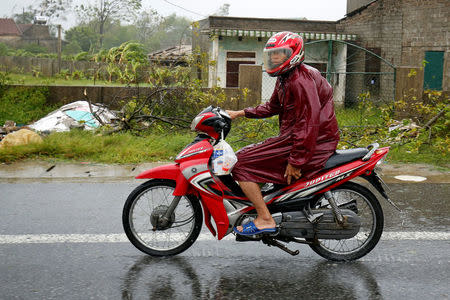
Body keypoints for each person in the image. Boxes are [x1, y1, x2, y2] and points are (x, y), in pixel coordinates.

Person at [226, 31, 340, 236]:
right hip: (298, 137)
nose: (274, 58)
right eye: (272, 54)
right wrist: (240, 113)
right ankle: (259, 207)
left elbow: (309, 124)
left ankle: (265, 218)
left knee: (241, 163)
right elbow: (272, 107)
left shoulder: (299, 81)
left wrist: (297, 160)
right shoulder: (286, 77)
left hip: (312, 140)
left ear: (294, 54)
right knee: (248, 158)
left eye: (280, 53)